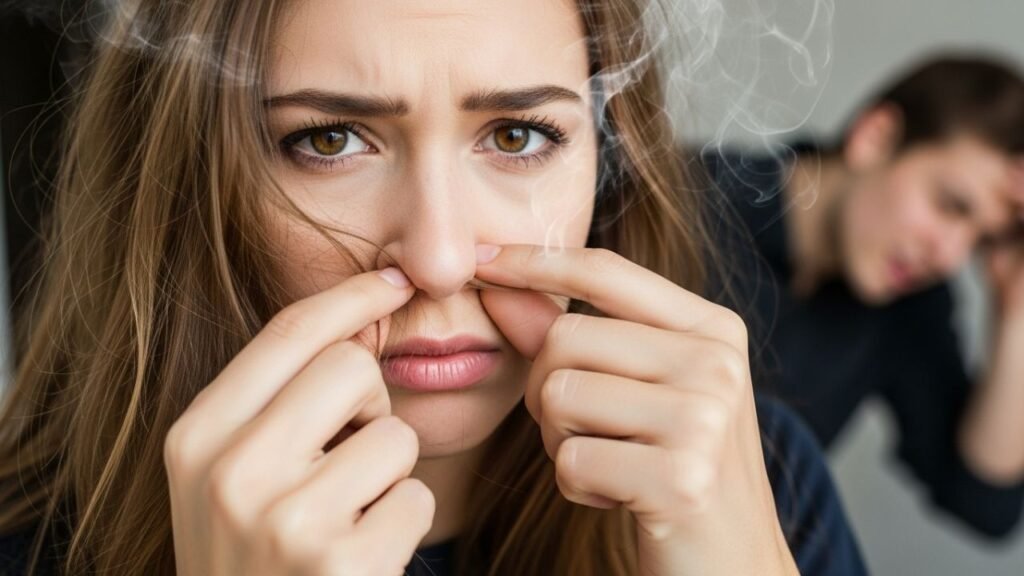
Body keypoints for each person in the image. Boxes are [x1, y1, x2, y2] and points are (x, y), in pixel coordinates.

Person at [0, 1, 866, 574]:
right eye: (331, 140)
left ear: (608, 164)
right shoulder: (25, 543)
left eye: (518, 136)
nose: (441, 261)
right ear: (191, 187)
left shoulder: (754, 478)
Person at [703, 54, 1024, 539]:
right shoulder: (682, 203)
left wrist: (1016, 310)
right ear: (875, 137)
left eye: (981, 240)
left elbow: (983, 503)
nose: (950, 256)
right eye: (950, 205)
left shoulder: (910, 309)